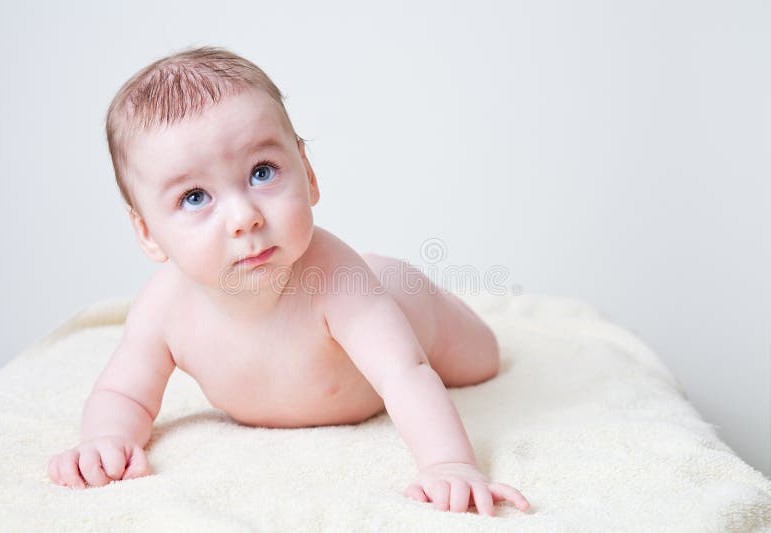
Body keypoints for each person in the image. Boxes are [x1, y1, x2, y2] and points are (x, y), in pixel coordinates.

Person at [46, 46, 530, 517]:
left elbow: (403, 374)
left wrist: (447, 463)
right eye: (195, 197)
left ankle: (408, 284)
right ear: (148, 233)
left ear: (309, 174)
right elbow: (123, 395)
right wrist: (106, 438)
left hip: (408, 306)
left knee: (484, 359)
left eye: (262, 172)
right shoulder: (163, 308)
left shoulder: (337, 280)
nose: (243, 217)